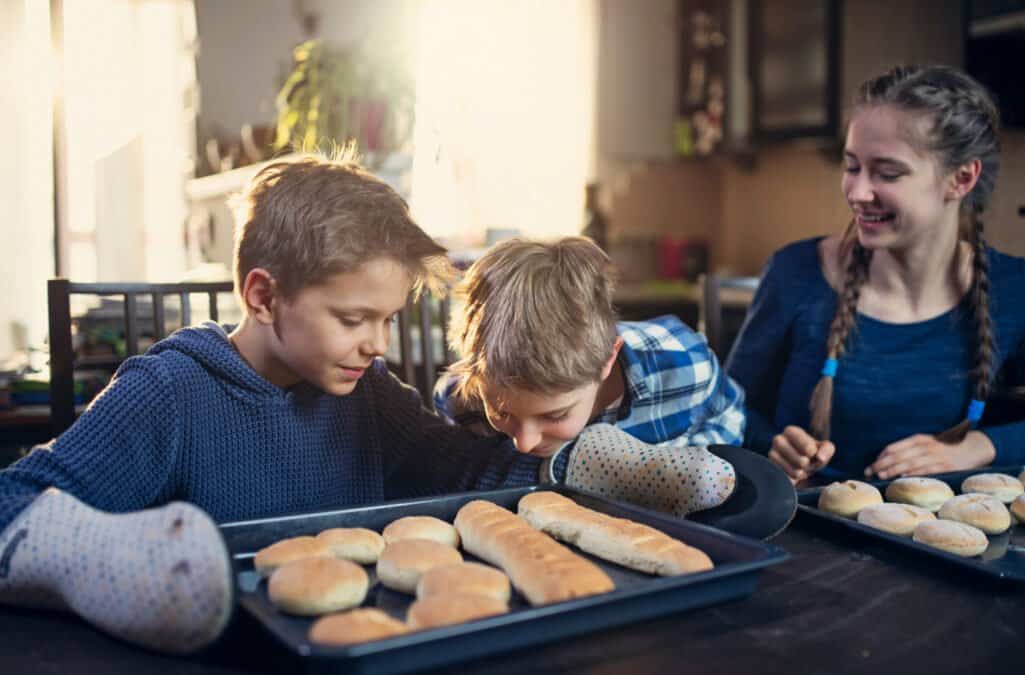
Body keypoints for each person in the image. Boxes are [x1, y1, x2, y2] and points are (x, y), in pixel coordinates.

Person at [0, 153, 547, 654]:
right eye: (353, 320)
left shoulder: (368, 389)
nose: (378, 344)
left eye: (389, 320)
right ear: (263, 296)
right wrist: (110, 553)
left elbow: (468, 469)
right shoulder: (168, 394)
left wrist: (573, 461)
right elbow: (12, 501)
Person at [725, 65, 1025, 485]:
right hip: (803, 534)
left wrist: (976, 449)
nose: (857, 192)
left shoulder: (1017, 291)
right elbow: (724, 410)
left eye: (887, 173)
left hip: (942, 542)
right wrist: (771, 445)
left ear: (961, 178)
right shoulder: (795, 272)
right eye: (852, 166)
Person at [433, 237, 745, 511]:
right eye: (501, 412)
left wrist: (673, 468)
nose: (525, 444)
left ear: (607, 361)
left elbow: (730, 415)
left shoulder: (683, 364)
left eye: (555, 416)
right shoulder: (463, 400)